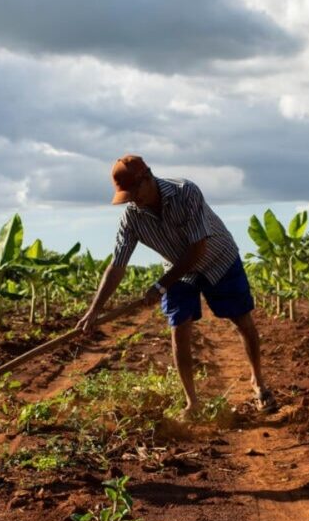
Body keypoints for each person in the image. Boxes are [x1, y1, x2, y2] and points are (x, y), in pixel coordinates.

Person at [76, 154, 276, 415]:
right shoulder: (132, 218)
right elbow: (117, 265)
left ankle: (258, 382)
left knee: (242, 321)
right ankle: (192, 402)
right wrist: (94, 310)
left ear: (147, 177)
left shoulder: (186, 192)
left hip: (218, 258)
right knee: (178, 328)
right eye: (127, 196)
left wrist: (160, 287)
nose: (133, 200)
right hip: (179, 271)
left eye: (134, 192)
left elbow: (198, 249)